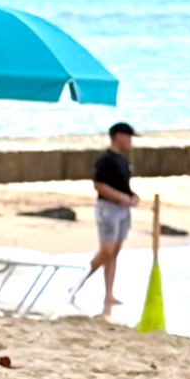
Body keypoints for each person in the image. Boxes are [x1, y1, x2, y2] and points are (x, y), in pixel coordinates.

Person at [74, 121, 140, 318]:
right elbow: (99, 185)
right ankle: (78, 283)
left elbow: (124, 186)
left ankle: (109, 294)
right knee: (106, 251)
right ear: (118, 136)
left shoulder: (123, 160)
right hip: (108, 210)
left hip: (122, 211)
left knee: (114, 253)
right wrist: (120, 197)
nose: (130, 141)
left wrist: (132, 196)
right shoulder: (105, 160)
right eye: (128, 137)